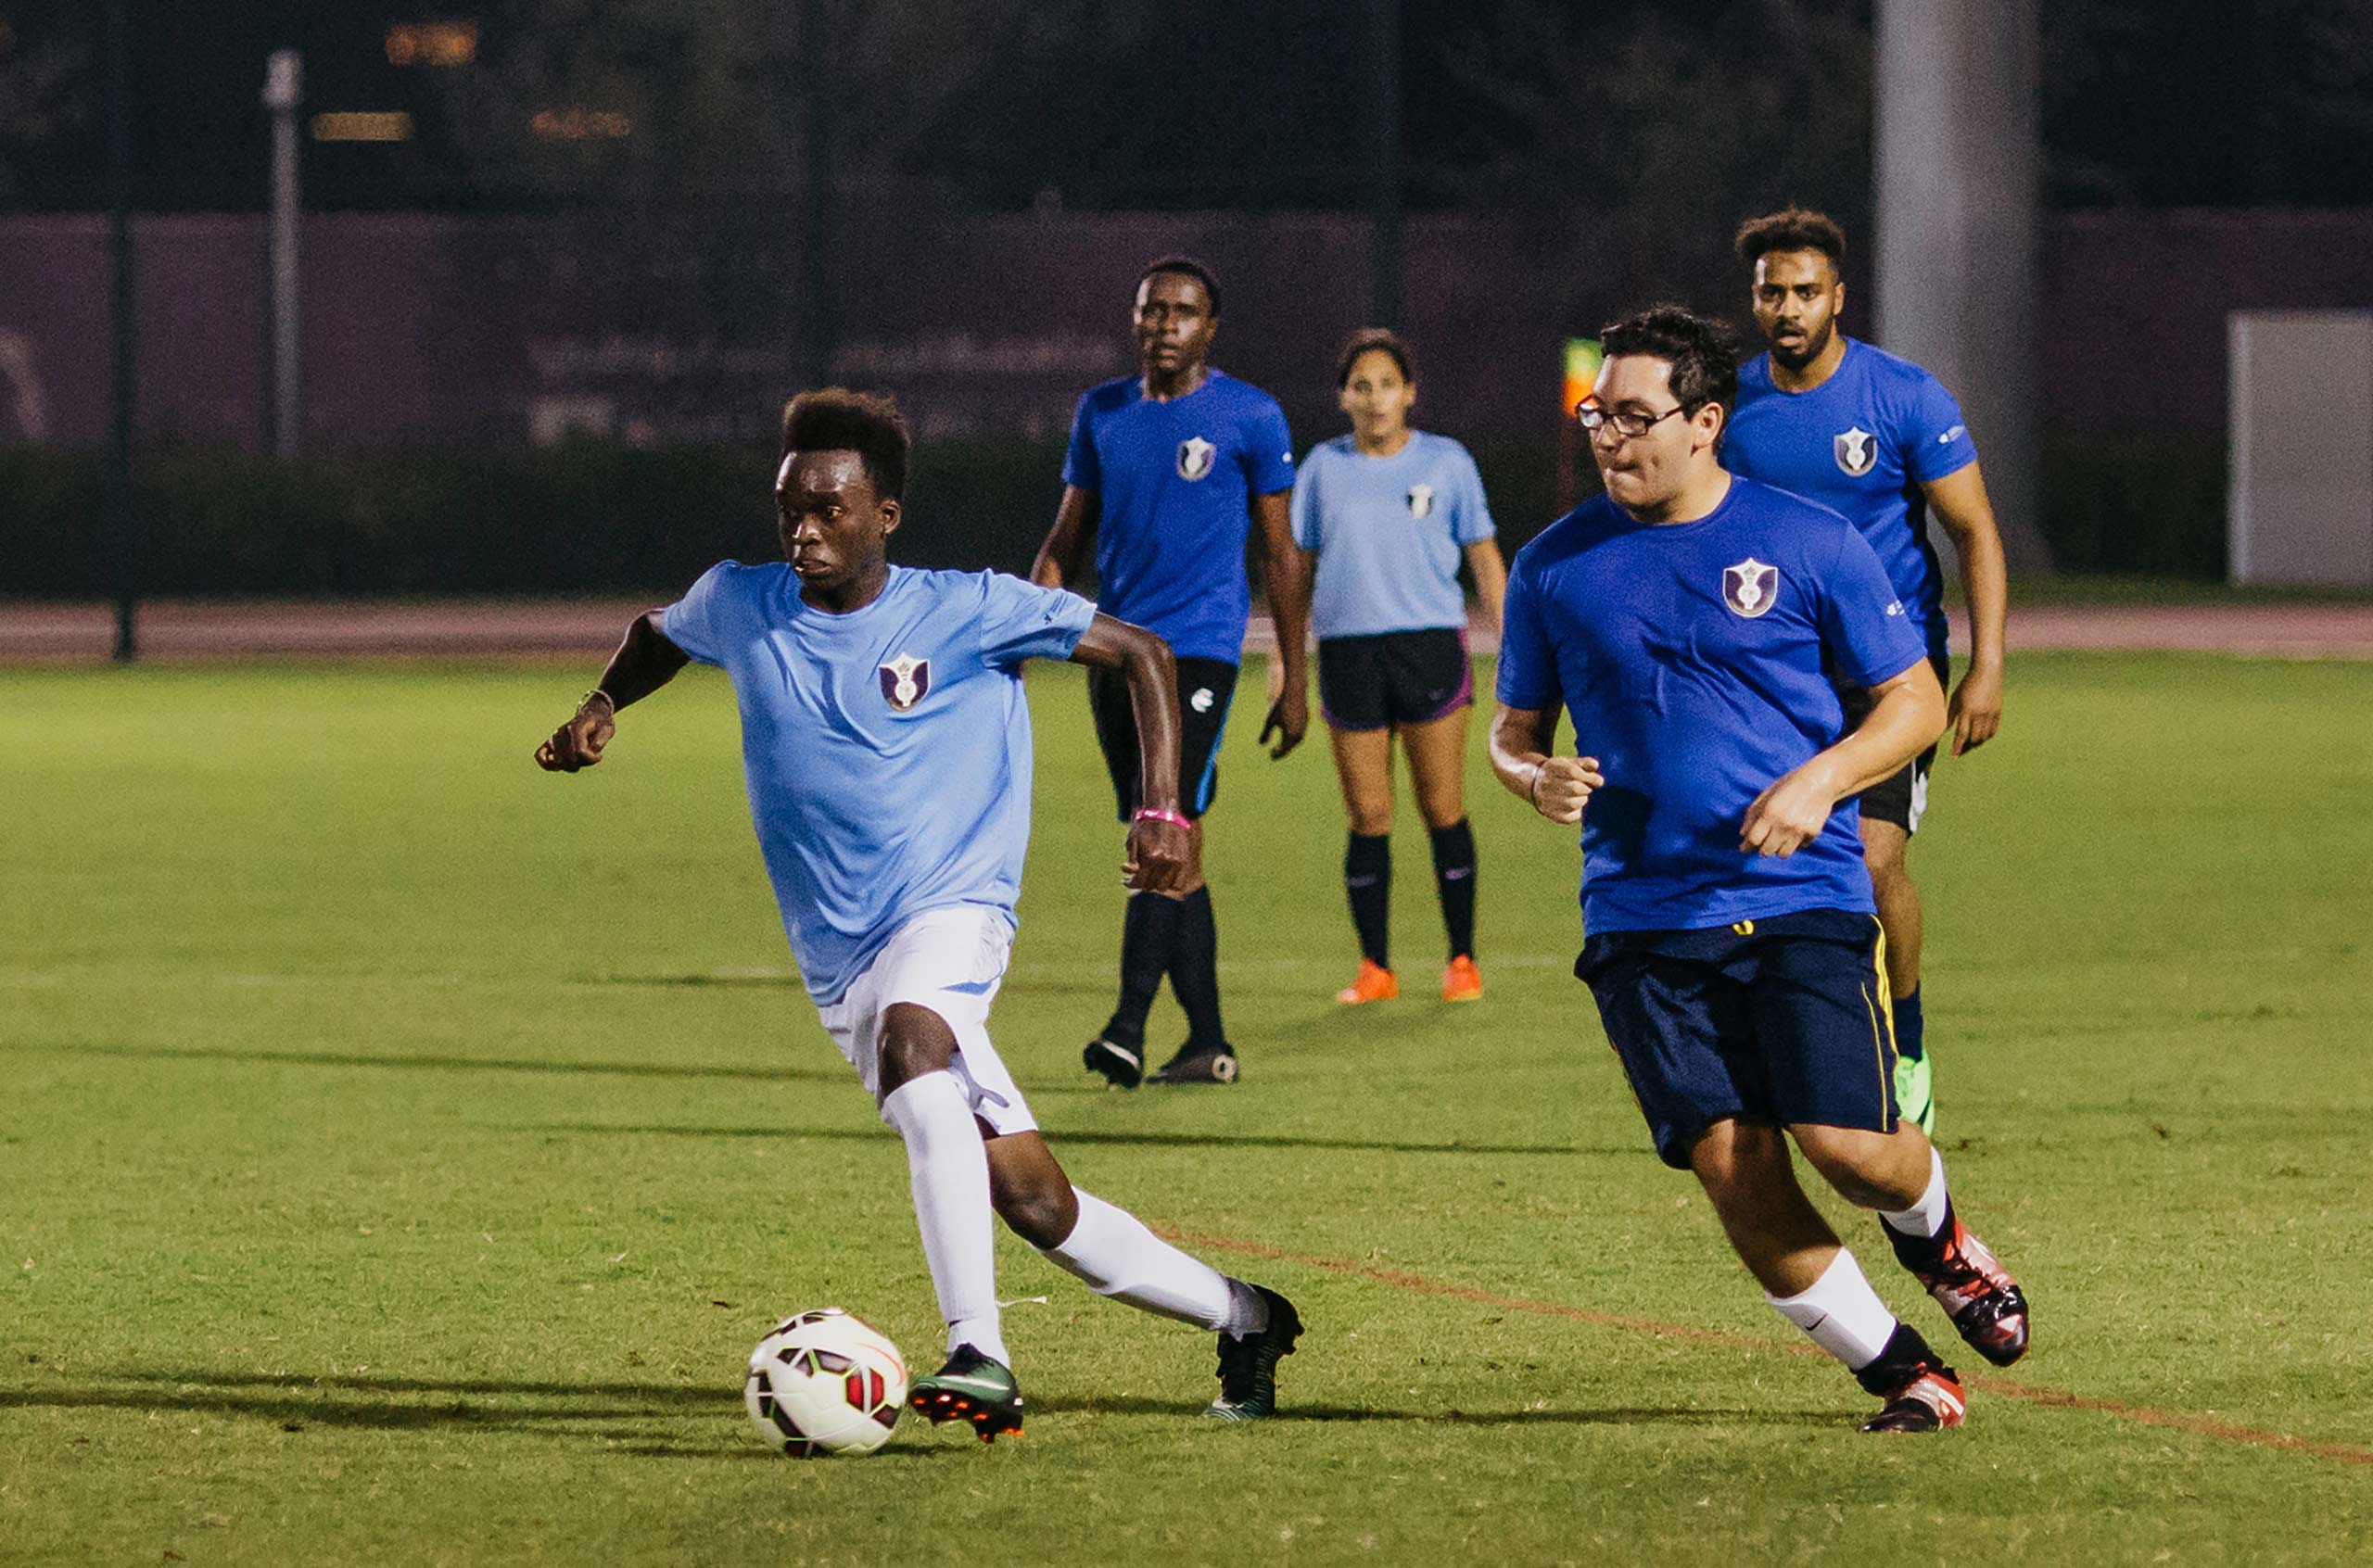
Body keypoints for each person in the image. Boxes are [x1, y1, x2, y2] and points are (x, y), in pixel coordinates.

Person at [535, 389, 1304, 1440]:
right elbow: (656, 635)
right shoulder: (741, 603)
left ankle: (977, 1353)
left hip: (954, 913)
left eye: (828, 511)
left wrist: (1162, 806)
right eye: (789, 510)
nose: (803, 530)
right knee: (1037, 1206)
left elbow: (1144, 654)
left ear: (883, 515)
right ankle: (1246, 1317)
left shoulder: (968, 609)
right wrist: (601, 705)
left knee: (916, 1033)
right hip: (840, 961)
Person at [1489, 307, 2029, 1433]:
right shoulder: (1552, 566)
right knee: (1735, 1167)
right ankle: (1905, 1375)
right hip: (1641, 914)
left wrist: (1819, 781)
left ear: (1705, 423)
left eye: (1636, 416)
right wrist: (1529, 773)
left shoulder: (1808, 539)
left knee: (1849, 1150)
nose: (1610, 437)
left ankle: (1937, 1236)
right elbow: (1510, 727)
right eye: (1600, 414)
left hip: (1799, 901)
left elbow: (1913, 701)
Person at [1722, 207, 2011, 1135]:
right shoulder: (1731, 412)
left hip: (1889, 676)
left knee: (1872, 862)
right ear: (1755, 299)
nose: (1788, 307)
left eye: (1806, 291)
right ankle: (1794, 1052)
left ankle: (1909, 1042)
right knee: (1767, 865)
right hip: (1773, 675)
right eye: (1773, 291)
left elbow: (1973, 531)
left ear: (1838, 296)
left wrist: (1986, 663)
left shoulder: (1903, 397)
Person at [1032, 255, 1313, 1089]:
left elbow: (1282, 554)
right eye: (1152, 311)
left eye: (1183, 312)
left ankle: (1125, 1026)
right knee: (1174, 841)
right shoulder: (1103, 413)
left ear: (1211, 327)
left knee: (1165, 821)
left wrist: (1295, 678)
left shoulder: (1250, 416)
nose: (1165, 326)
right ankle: (1208, 1043)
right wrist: (1025, 616)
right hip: (1114, 652)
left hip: (1198, 651)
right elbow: (1066, 538)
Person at [1289, 327, 1505, 1005]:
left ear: (1409, 393)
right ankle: (1375, 968)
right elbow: (1296, 568)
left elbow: (1484, 560)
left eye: (1387, 384)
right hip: (1350, 652)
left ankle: (1462, 959)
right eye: (1361, 386)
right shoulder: (1322, 467)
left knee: (1442, 806)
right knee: (1368, 814)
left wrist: (1520, 653)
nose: (1375, 398)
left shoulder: (1448, 463)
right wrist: (1288, 664)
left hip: (1430, 647)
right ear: (1343, 398)